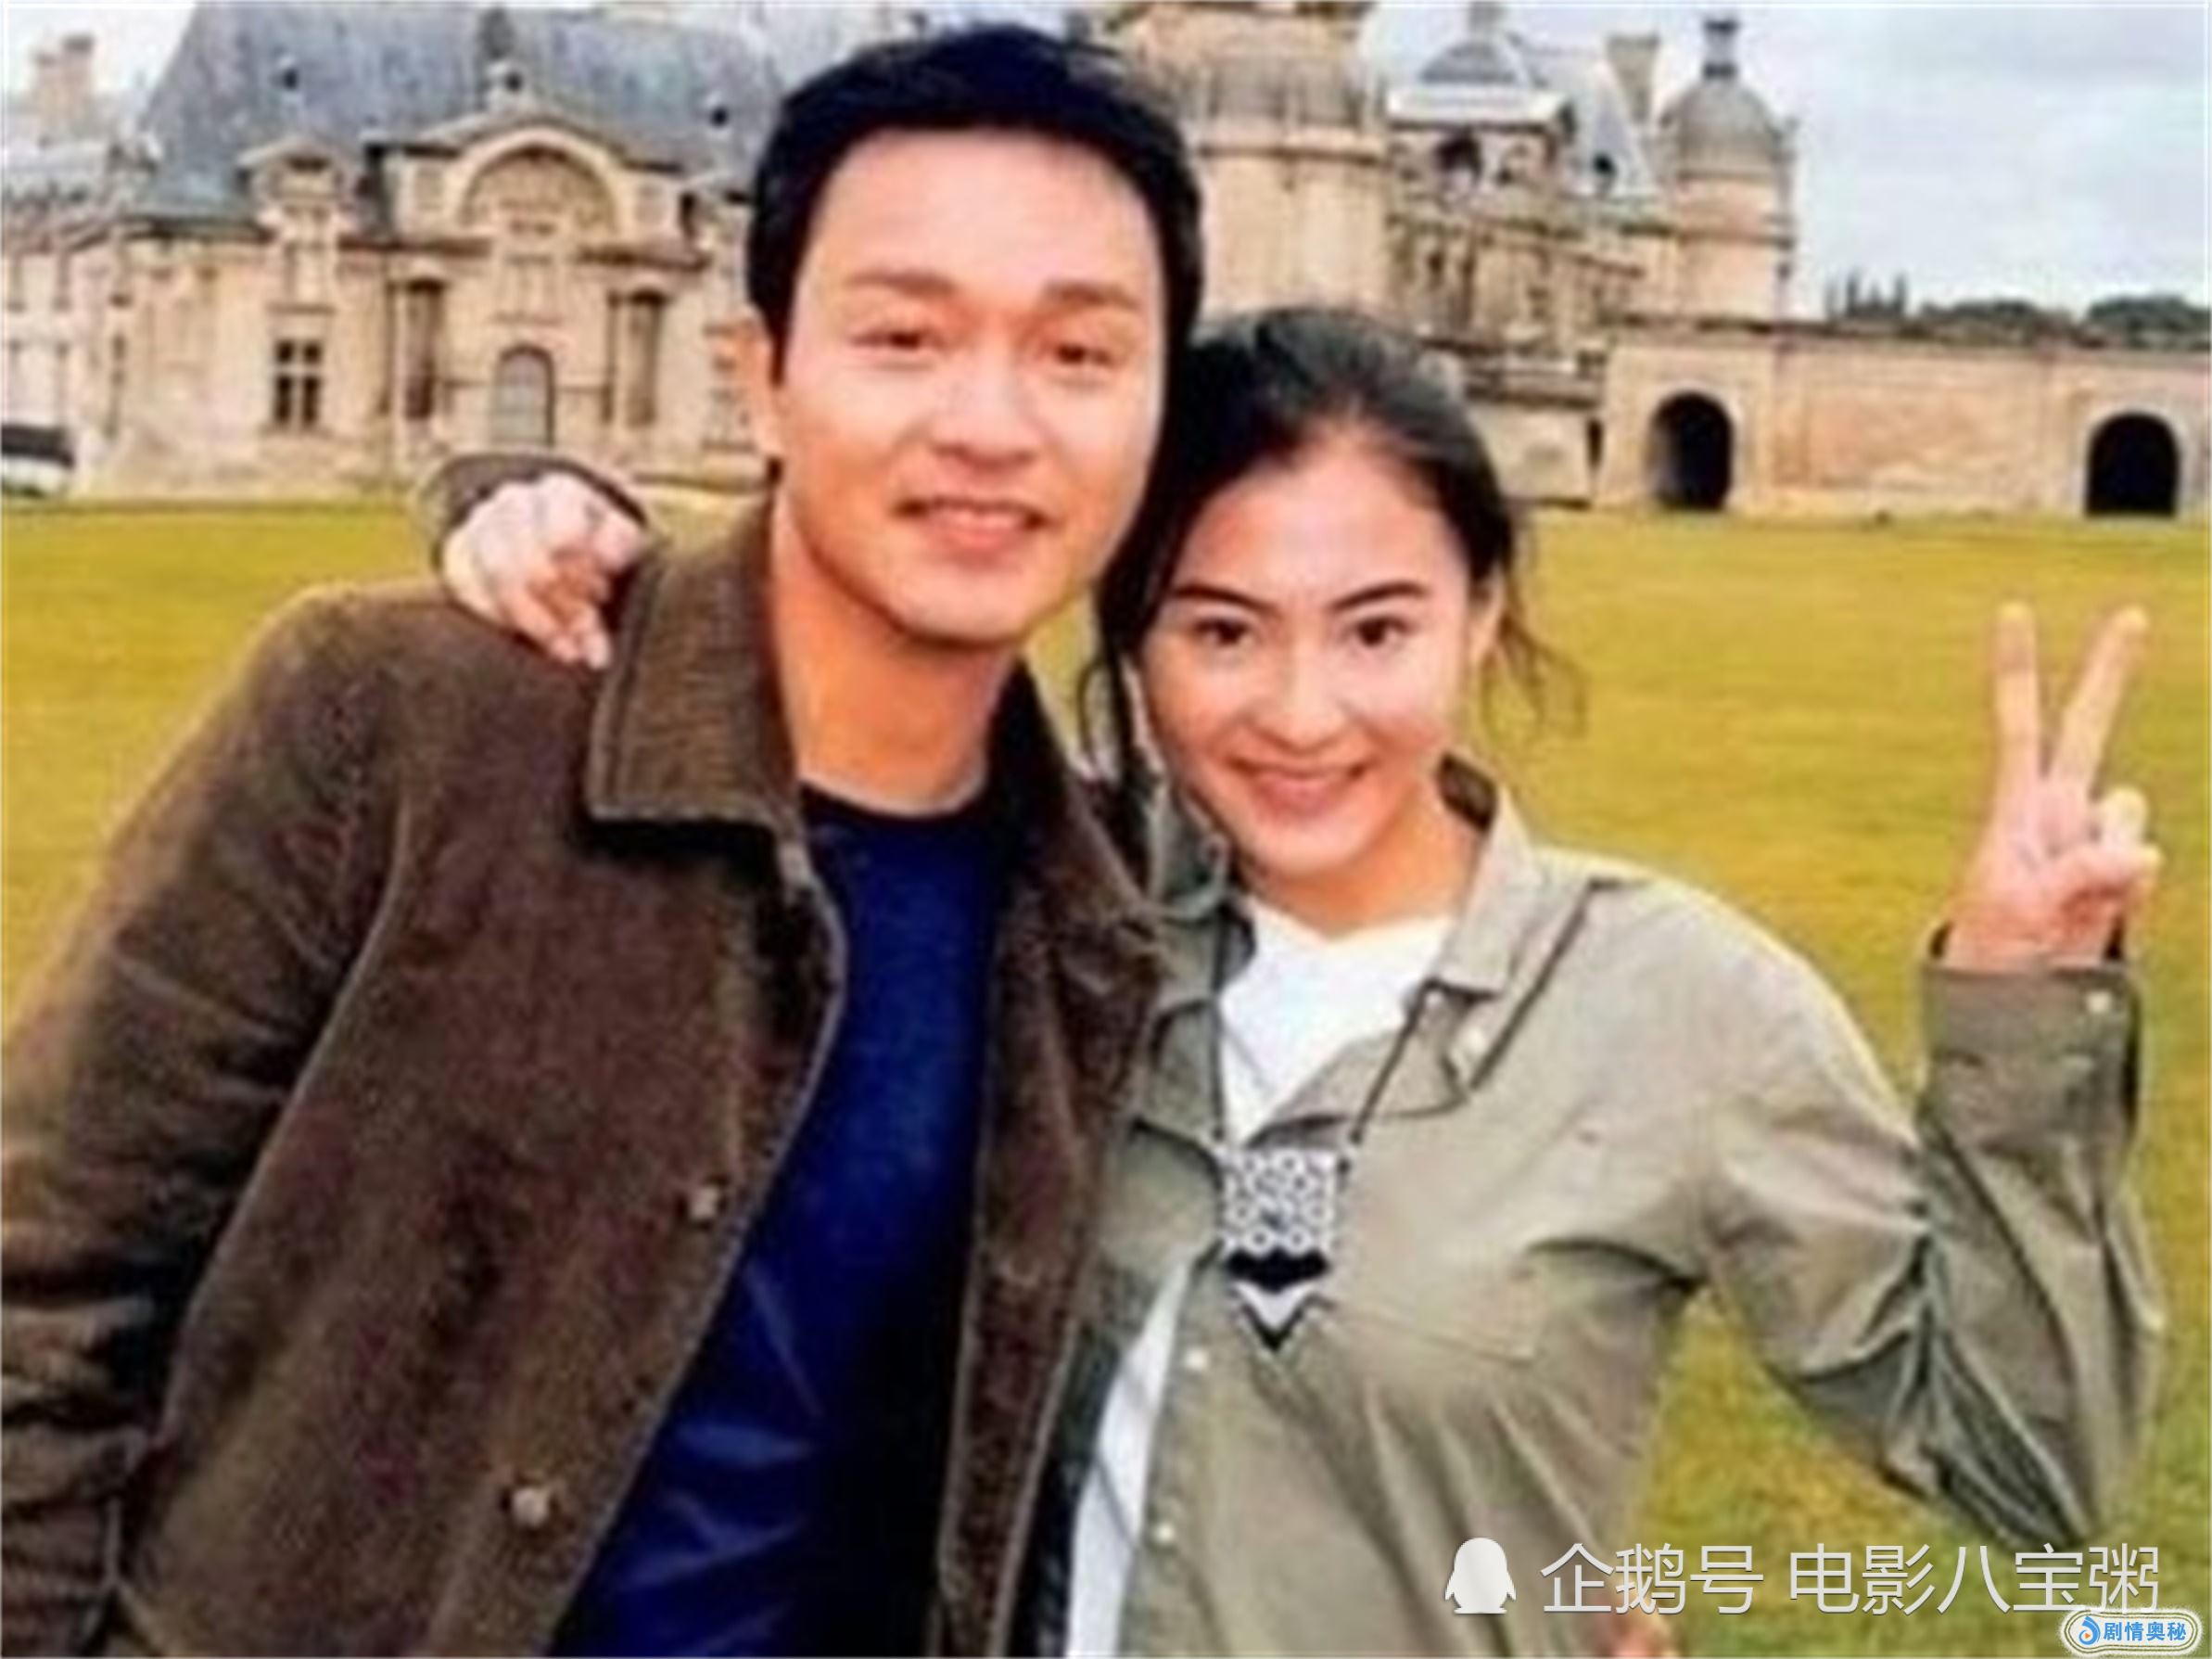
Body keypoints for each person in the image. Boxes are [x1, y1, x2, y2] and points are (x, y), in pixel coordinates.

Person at [436, 307, 2164, 1658]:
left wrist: (2022, 1022)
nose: (1299, 713)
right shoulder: (1070, 923)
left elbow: (2024, 1467)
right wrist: (546, 516)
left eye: (1375, 627)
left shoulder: (1674, 1009)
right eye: (1220, 629)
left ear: (1481, 611)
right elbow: (807, 693)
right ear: (1134, 646)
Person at [0, 26, 1204, 1657]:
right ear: (760, 373)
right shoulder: (390, 721)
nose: (989, 422)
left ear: (1156, 408)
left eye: (1077, 353)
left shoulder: (1113, 910)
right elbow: (41, 1287)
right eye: (905, 336)